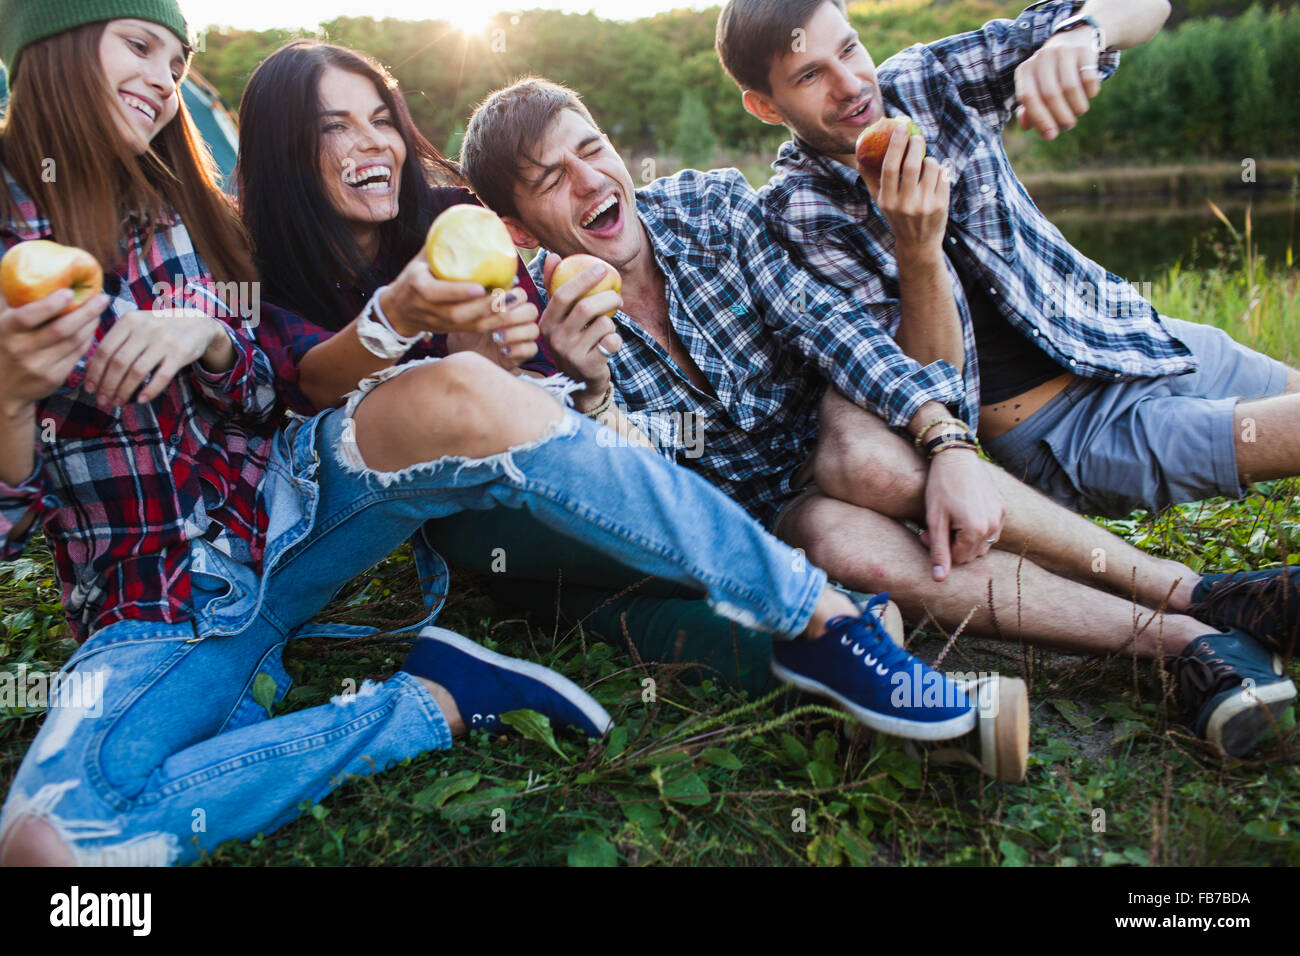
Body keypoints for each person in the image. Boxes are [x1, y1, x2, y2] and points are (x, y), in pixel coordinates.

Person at [0, 2, 976, 867]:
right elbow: (14, 511)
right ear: (47, 41)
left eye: (176, 57)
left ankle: (816, 617)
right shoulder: (80, 228)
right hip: (152, 598)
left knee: (462, 390)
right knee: (50, 844)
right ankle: (432, 699)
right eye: (140, 46)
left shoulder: (179, 215)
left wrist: (212, 337)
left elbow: (265, 393)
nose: (166, 79)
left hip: (289, 510)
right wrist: (8, 398)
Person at [458, 74, 1297, 758]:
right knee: (838, 538)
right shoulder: (534, 343)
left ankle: (1203, 593)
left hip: (834, 428)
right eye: (550, 181)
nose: (592, 181)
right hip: (766, 514)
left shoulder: (710, 209)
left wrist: (949, 439)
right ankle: (1179, 643)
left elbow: (830, 326)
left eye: (593, 149)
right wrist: (595, 390)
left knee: (870, 467)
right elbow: (647, 511)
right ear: (517, 227)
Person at [235, 41, 780, 697]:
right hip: (424, 512)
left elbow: (520, 398)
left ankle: (772, 645)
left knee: (522, 549)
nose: (372, 143)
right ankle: (791, 590)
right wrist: (400, 313)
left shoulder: (451, 218)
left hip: (510, 484)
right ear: (282, 151)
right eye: (335, 127)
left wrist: (511, 355)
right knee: (480, 534)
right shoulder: (258, 266)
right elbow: (315, 381)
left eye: (382, 119)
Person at [722, 0, 1300, 526]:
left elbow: (1147, 6)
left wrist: (1083, 34)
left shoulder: (927, 83)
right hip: (1064, 433)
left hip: (1130, 337)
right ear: (765, 106)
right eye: (810, 75)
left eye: (849, 49)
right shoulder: (799, 216)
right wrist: (917, 247)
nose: (851, 86)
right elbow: (925, 389)